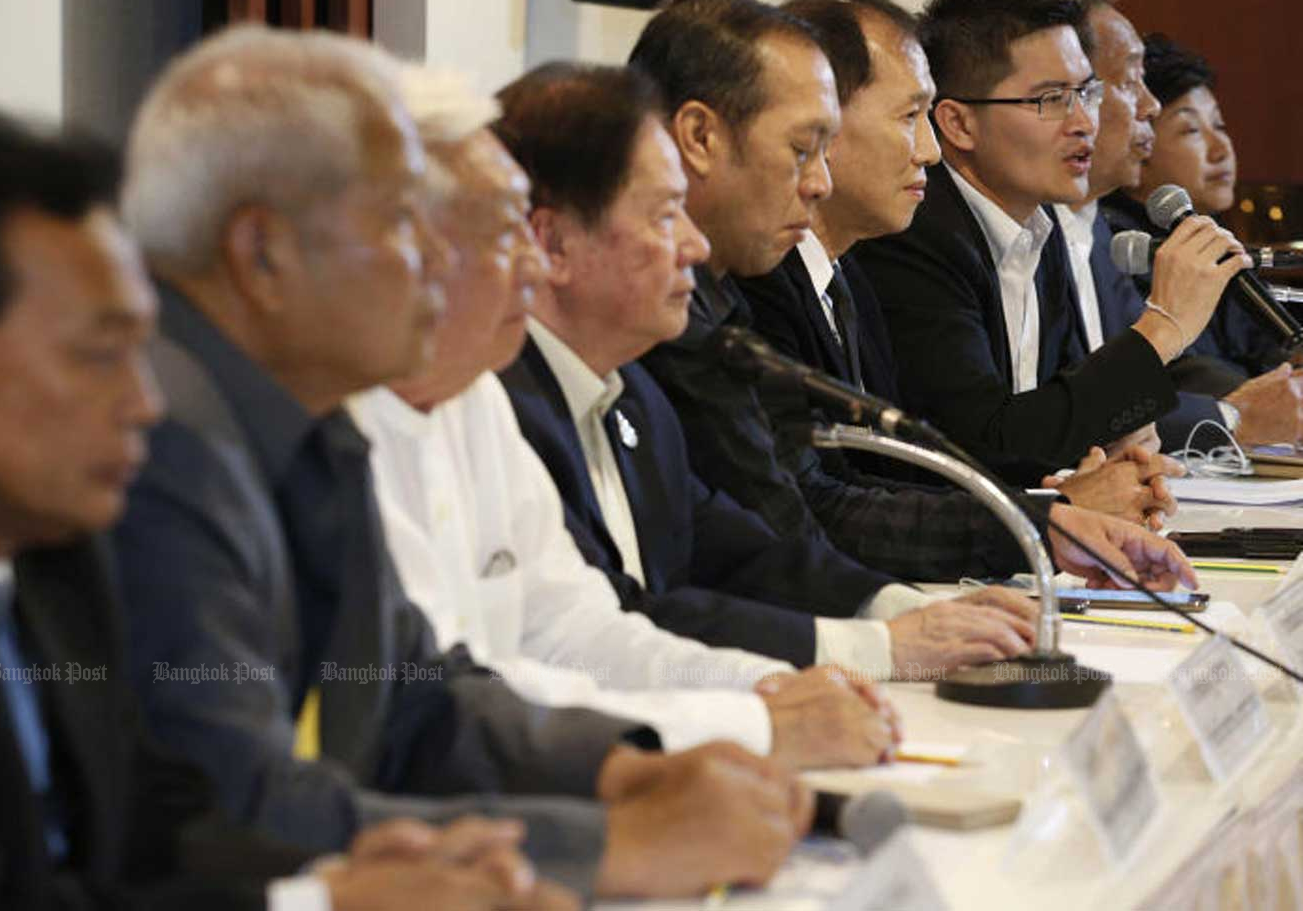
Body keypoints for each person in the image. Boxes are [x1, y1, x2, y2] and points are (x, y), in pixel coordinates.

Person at [0, 103, 573, 911]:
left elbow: (151, 818)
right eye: (100, 354)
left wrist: (324, 876)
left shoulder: (47, 547)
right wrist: (319, 905)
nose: (142, 401)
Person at [114, 24, 802, 901]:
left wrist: (616, 769)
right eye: (403, 221)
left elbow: (413, 696)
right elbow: (239, 807)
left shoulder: (309, 426)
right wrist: (605, 843)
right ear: (263, 254)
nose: (438, 261)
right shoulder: (166, 437)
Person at [495, 58, 1191, 691]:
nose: (693, 243)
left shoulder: (630, 391)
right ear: (552, 242)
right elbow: (610, 628)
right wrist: (880, 645)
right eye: (662, 215)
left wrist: (910, 610)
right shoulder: (511, 407)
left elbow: (742, 551)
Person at [350, 65, 898, 769]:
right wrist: (747, 721)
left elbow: (573, 629)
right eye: (498, 230)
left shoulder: (478, 396)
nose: (526, 260)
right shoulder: (339, 430)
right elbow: (436, 704)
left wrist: (768, 689)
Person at [729, 0, 1180, 575]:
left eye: (1085, 93)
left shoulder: (850, 274)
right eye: (909, 116)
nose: (928, 151)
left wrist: (1073, 490)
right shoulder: (805, 271)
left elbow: (900, 470)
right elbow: (813, 508)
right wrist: (1049, 514)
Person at [850, 0, 1246, 484]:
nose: (1084, 121)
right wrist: (1162, 330)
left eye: (1086, 92)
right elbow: (978, 447)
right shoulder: (917, 236)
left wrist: (1111, 447)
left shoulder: (1043, 227)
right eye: (1052, 99)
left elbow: (1049, 412)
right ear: (958, 124)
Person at [1045, 0, 1303, 453]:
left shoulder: (1093, 231)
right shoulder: (1115, 237)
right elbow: (1170, 370)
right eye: (1128, 83)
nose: (1149, 107)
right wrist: (1237, 412)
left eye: (1220, 125)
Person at [1104, 32, 1289, 382]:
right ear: (1139, 140)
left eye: (1219, 124)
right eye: (1191, 130)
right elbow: (1187, 378)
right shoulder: (1120, 247)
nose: (1221, 148)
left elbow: (1269, 349)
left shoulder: (1210, 235)